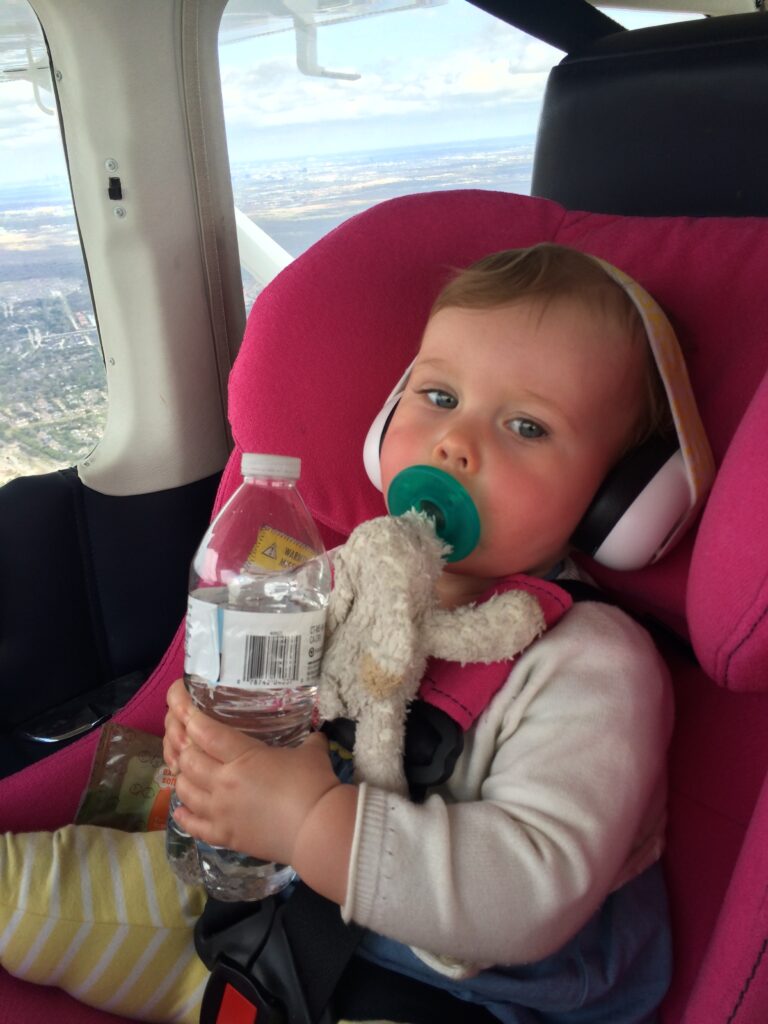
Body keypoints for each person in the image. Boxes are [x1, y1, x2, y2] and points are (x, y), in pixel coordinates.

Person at [0, 244, 712, 1023]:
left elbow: (529, 897)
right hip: (253, 908)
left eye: (526, 425)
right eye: (439, 395)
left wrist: (312, 823)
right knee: (31, 889)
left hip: (453, 994)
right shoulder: (341, 573)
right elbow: (265, 700)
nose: (455, 442)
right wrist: (210, 740)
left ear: (621, 498)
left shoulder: (595, 665)